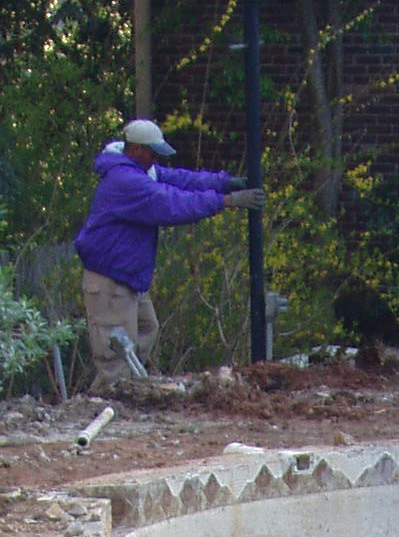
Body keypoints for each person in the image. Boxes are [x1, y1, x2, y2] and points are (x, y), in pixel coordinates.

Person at [75, 117, 262, 392]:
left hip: (128, 279)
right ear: (136, 150)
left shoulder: (140, 170)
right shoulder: (126, 181)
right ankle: (106, 403)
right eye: (152, 153)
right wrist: (227, 201)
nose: (155, 160)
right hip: (109, 281)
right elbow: (171, 203)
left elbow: (181, 180)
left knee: (146, 328)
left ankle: (128, 392)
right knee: (114, 355)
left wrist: (226, 183)